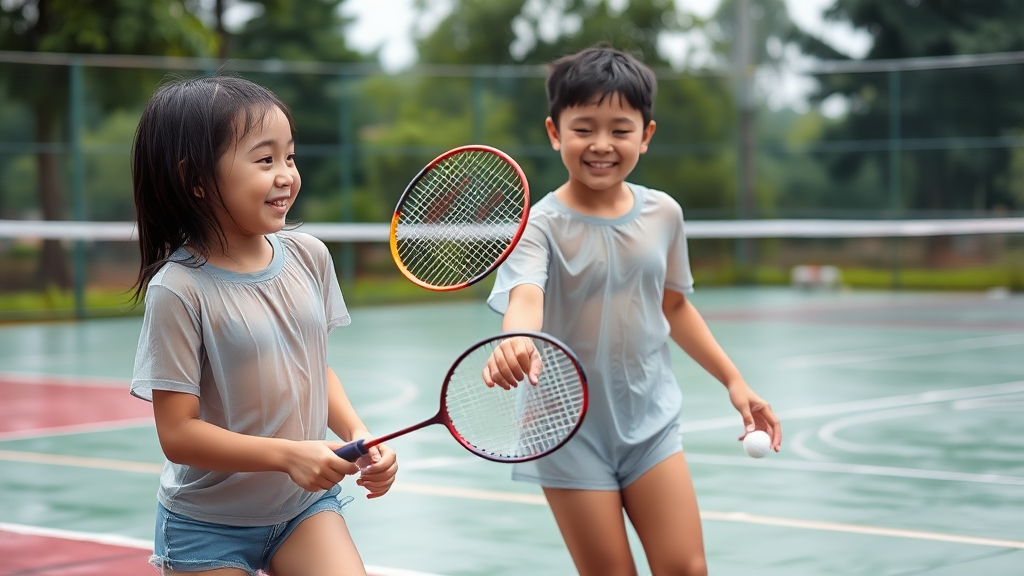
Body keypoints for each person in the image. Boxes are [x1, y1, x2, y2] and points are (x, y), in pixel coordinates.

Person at [482, 46, 782, 576]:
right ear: (555, 133)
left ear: (646, 135)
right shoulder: (538, 225)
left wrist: (734, 381)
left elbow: (674, 305)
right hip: (566, 432)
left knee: (687, 569)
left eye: (620, 129)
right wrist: (517, 340)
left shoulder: (664, 213)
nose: (601, 144)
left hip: (650, 423)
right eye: (584, 128)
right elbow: (525, 297)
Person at [129, 74, 397, 576]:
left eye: (290, 157)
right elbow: (178, 433)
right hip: (207, 524)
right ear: (197, 179)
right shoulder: (178, 290)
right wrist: (288, 455)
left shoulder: (310, 256)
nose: (286, 175)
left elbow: (317, 368)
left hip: (302, 509)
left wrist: (360, 436)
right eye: (265, 159)